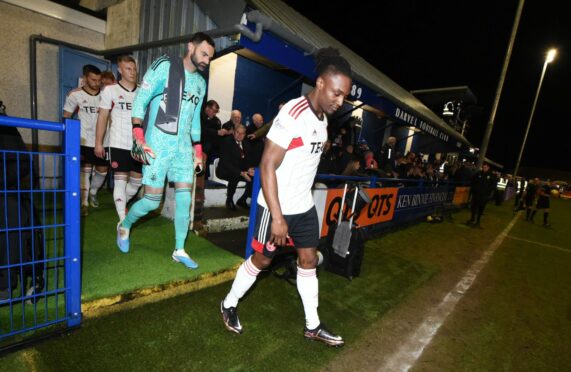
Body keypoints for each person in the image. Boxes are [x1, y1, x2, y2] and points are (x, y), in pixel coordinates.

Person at [220, 47, 352, 347]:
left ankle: (313, 326)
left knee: (308, 260)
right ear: (320, 83)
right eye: (336, 93)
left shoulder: (323, 119)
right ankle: (228, 303)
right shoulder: (293, 113)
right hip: (277, 207)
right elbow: (267, 164)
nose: (340, 101)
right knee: (262, 260)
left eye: (344, 95)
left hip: (303, 206)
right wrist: (278, 218)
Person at [115, 32, 215, 269]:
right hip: (157, 145)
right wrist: (138, 134)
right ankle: (124, 225)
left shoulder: (200, 84)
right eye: (203, 53)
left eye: (210, 57)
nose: (206, 60)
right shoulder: (164, 65)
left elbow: (194, 120)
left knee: (184, 200)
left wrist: (197, 150)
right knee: (151, 202)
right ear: (190, 47)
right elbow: (141, 99)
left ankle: (179, 249)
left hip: (182, 150)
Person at [95, 55, 142, 223]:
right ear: (120, 70)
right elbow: (102, 118)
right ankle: (122, 221)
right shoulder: (110, 90)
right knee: (120, 182)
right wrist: (99, 143)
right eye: (128, 69)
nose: (132, 72)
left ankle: (123, 203)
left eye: (134, 68)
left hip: (138, 145)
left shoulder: (142, 92)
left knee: (137, 183)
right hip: (117, 143)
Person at [63, 64, 108, 217]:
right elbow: (66, 117)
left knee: (102, 170)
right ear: (85, 78)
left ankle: (93, 192)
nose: (96, 83)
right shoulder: (74, 95)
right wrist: (68, 140)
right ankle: (84, 202)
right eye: (93, 79)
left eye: (99, 80)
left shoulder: (106, 94)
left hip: (103, 140)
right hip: (82, 139)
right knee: (85, 170)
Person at [217, 124, 254, 210]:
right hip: (224, 170)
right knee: (235, 176)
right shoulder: (226, 142)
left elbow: (247, 160)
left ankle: (242, 200)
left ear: (245, 134)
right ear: (233, 132)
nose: (240, 135)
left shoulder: (246, 144)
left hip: (240, 170)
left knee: (255, 177)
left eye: (242, 133)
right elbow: (226, 163)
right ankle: (229, 200)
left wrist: (249, 169)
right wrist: (241, 173)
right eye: (238, 132)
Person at [466, 162, 496, 227]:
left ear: (488, 167)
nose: (484, 168)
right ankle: (472, 218)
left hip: (484, 195)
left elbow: (493, 185)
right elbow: (473, 180)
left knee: (481, 208)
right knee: (473, 207)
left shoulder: (491, 175)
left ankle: (478, 221)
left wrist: (489, 193)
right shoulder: (479, 173)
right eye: (483, 167)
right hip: (476, 194)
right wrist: (474, 188)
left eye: (485, 167)